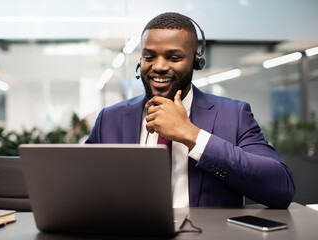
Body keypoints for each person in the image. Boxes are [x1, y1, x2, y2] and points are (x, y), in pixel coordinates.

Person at [86, 12, 295, 208]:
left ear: (196, 62)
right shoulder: (110, 118)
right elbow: (81, 185)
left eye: (173, 58)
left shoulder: (234, 115)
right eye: (149, 56)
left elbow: (281, 188)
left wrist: (192, 135)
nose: (158, 66)